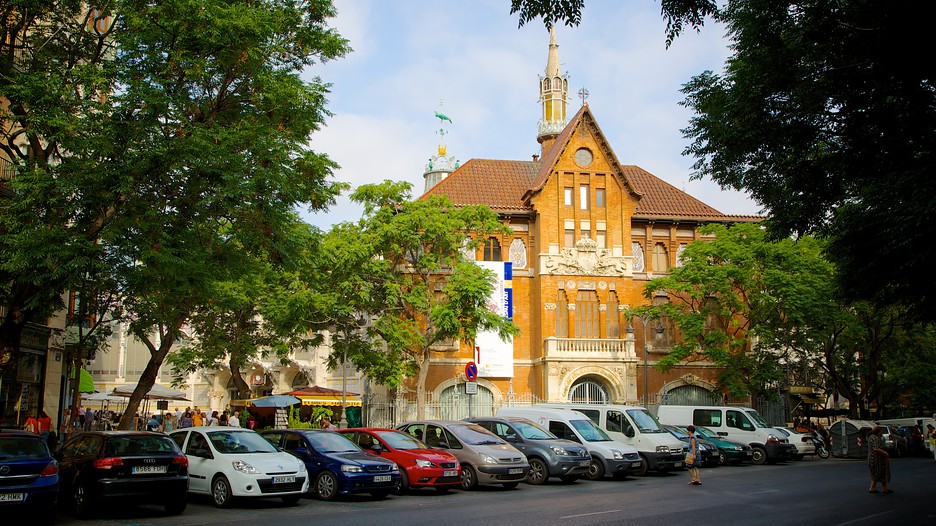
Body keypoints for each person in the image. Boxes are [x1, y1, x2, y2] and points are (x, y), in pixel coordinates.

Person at [868, 425, 892, 494]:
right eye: (881, 431)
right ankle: (872, 488)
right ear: (878, 431)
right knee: (877, 472)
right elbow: (876, 448)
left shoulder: (871, 437)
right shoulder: (875, 438)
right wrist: (885, 453)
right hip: (876, 458)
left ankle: (885, 488)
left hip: (874, 457)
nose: (882, 432)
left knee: (883, 472)